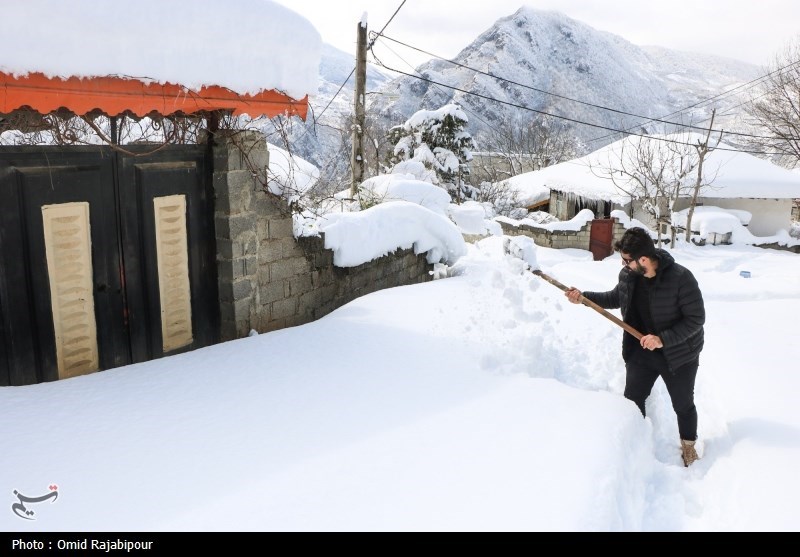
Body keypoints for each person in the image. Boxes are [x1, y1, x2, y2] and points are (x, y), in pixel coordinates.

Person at [565, 227, 705, 467]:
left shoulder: (681, 278)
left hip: (677, 354)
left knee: (682, 404)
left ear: (643, 259)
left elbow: (696, 319)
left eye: (626, 260)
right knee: (632, 400)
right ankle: (637, 445)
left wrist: (662, 339)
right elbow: (614, 298)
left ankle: (688, 446)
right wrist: (584, 298)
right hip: (640, 350)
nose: (623, 264)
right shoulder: (629, 276)